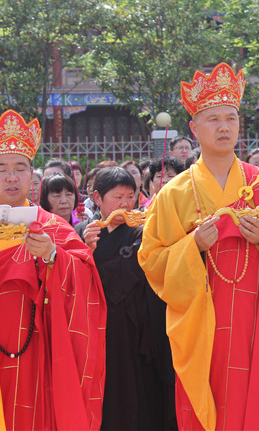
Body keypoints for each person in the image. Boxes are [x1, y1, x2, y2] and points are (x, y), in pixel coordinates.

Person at [138, 62, 259, 430]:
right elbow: (152, 260)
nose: (224, 127)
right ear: (193, 127)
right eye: (213, 119)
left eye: (231, 118)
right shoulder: (173, 194)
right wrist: (192, 247)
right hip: (205, 326)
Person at [0, 110, 106, 430]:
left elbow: (88, 287)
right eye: (1, 169)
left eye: (20, 168)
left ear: (31, 174)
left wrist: (52, 256)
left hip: (41, 356)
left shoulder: (53, 228)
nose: (11, 177)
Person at [76, 167, 176, 431]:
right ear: (97, 198)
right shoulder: (81, 232)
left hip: (140, 328)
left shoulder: (145, 231)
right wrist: (87, 252)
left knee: (142, 392)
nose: (125, 204)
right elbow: (73, 282)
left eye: (131, 197)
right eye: (117, 197)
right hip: (101, 329)